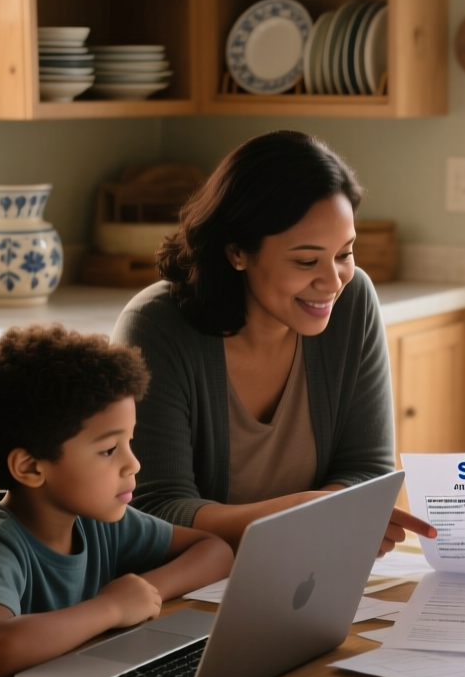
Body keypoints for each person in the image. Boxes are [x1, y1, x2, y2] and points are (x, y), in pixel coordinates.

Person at [115, 130, 433, 554]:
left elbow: (367, 471)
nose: (332, 280)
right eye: (306, 260)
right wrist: (308, 514)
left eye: (345, 253)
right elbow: (155, 509)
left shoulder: (353, 301)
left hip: (307, 572)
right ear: (237, 252)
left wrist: (318, 518)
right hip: (187, 585)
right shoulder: (155, 328)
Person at [0, 324, 234, 677]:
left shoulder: (98, 521)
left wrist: (143, 595)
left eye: (129, 442)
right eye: (108, 450)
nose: (133, 463)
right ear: (30, 467)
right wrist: (111, 608)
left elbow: (215, 551)